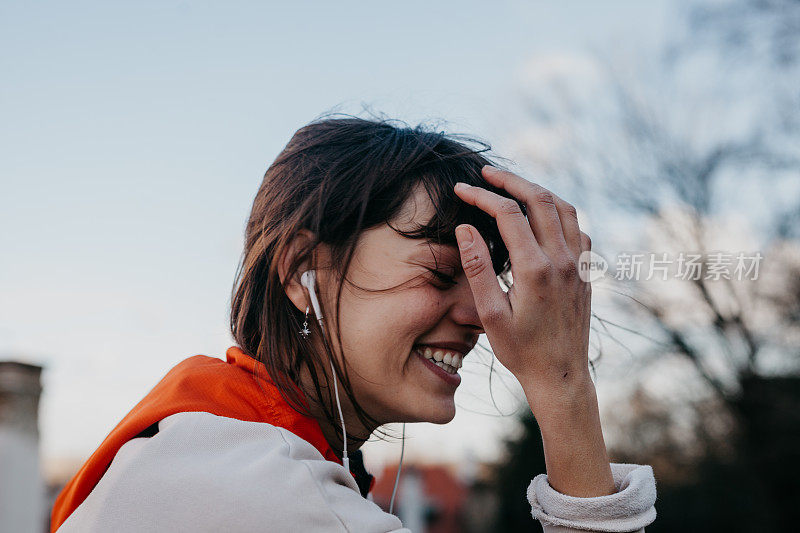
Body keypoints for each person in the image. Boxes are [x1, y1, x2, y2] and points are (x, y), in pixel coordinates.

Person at [51, 116, 657, 532]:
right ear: (301, 273)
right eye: (442, 273)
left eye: (482, 282)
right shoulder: (270, 494)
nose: (480, 316)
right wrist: (563, 382)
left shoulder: (208, 445)